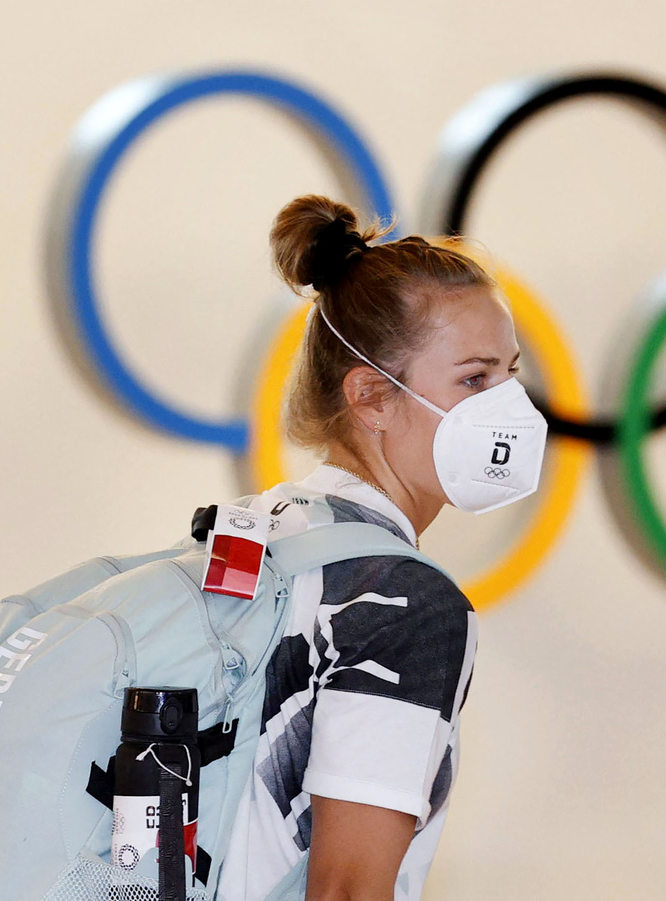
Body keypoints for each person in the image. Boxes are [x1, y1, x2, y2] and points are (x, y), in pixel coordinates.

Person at [216, 195, 548, 901]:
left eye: (510, 375)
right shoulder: (404, 601)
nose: (507, 409)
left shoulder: (257, 532)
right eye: (473, 378)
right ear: (371, 396)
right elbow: (346, 889)